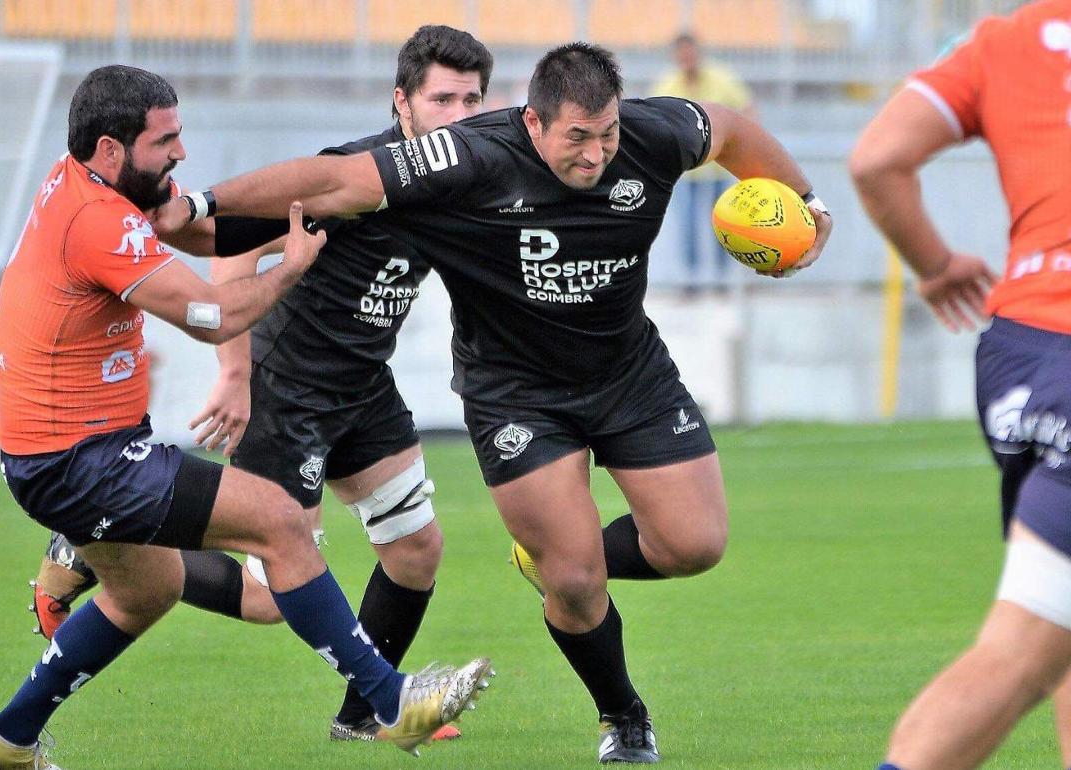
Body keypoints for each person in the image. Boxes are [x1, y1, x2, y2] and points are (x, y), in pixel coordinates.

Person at [154, 42, 831, 764]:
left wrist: (809, 202)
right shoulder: (466, 160)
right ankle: (622, 717)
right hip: (516, 397)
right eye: (577, 137)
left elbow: (728, 128)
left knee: (695, 545)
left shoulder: (653, 132)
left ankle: (524, 574)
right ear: (534, 123)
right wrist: (198, 207)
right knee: (570, 578)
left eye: (607, 134)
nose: (596, 154)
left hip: (629, 375)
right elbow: (328, 181)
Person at [0, 64, 491, 770]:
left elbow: (203, 232)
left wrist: (227, 215)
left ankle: (7, 735)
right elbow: (214, 315)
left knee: (149, 590)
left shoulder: (89, 179)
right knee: (277, 522)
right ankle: (392, 705)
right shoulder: (99, 220)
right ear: (112, 149)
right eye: (166, 140)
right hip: (83, 459)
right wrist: (292, 263)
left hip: (62, 454)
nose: (180, 152)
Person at [849, 2, 1071, 769]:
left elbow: (877, 160)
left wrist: (937, 265)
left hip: (1021, 350)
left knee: (1059, 625)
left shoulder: (1005, 41)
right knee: (1023, 650)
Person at [652, 32, 755, 293]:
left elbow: (747, 109)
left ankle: (721, 284)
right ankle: (691, 286)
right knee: (688, 230)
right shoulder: (667, 84)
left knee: (725, 227)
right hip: (686, 173)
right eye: (681, 54)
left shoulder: (722, 78)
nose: (687, 58)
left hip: (719, 170)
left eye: (690, 52)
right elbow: (653, 123)